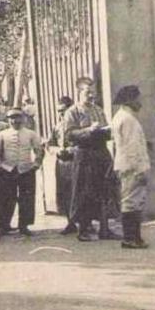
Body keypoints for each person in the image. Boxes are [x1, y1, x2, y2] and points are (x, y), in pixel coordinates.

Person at [63, 78, 118, 241]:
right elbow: (69, 134)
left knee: (104, 190)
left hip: (101, 153)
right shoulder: (72, 112)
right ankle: (83, 229)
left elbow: (106, 129)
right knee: (84, 192)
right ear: (79, 93)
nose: (91, 95)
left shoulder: (98, 110)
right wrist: (88, 130)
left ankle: (105, 229)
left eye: (93, 92)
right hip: (84, 154)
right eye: (88, 92)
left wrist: (107, 131)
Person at [0, 108, 44, 236]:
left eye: (18, 117)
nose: (15, 121)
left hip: (26, 170)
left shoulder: (31, 134)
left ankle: (24, 225)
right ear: (8, 120)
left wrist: (36, 164)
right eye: (12, 118)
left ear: (23, 119)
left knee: (27, 198)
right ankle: (4, 225)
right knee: (6, 198)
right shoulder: (2, 134)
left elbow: (39, 150)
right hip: (7, 170)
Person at [111, 85, 151, 249]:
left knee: (133, 201)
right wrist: (139, 170)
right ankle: (130, 238)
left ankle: (134, 237)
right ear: (129, 100)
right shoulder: (128, 120)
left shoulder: (121, 117)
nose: (140, 102)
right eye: (137, 99)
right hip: (131, 166)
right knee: (131, 202)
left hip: (126, 164)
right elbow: (132, 147)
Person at [48, 95, 78, 235]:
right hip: (62, 163)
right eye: (59, 111)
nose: (61, 114)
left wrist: (72, 150)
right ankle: (70, 222)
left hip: (76, 161)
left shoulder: (78, 126)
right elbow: (50, 144)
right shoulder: (57, 127)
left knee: (79, 192)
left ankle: (85, 223)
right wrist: (56, 150)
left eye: (64, 111)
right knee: (65, 193)